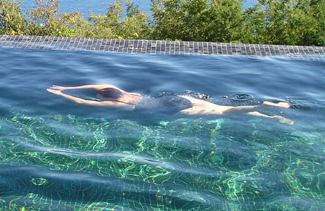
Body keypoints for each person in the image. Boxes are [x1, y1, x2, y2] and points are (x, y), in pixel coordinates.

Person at [46, 84, 293, 124]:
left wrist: (60, 95)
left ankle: (269, 106)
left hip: (175, 108)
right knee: (222, 109)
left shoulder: (120, 106)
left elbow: (82, 101)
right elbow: (97, 85)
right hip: (176, 98)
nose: (97, 97)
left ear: (108, 99)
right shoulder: (126, 93)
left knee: (227, 111)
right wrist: (66, 86)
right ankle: (272, 116)